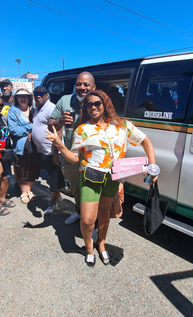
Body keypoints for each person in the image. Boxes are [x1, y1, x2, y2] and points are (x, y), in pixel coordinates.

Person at [45, 90, 157, 267]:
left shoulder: (122, 126)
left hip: (113, 177)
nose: (92, 107)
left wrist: (152, 164)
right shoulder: (82, 129)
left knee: (105, 213)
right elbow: (75, 158)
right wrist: (59, 145)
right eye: (88, 105)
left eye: (97, 103)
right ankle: (89, 248)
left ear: (105, 103)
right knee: (88, 219)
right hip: (90, 176)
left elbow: (145, 141)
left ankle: (102, 244)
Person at [48, 71, 96, 225]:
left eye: (86, 84)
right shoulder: (65, 100)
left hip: (94, 157)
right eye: (79, 84)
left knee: (92, 191)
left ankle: (92, 222)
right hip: (71, 155)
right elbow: (50, 124)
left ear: (93, 87)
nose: (82, 87)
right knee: (75, 188)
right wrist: (60, 121)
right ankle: (78, 212)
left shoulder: (98, 102)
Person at [31, 86, 65, 214]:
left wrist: (56, 153)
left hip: (51, 151)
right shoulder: (38, 108)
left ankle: (54, 202)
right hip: (43, 150)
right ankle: (58, 196)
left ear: (47, 95)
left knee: (54, 178)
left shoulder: (51, 108)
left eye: (41, 94)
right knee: (52, 175)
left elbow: (59, 130)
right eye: (36, 94)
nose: (38, 96)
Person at [7, 88, 40, 204]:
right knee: (21, 169)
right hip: (20, 147)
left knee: (33, 168)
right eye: (20, 96)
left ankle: (29, 190)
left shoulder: (34, 109)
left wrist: (32, 130)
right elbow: (14, 130)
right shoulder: (13, 111)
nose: (23, 98)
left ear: (29, 98)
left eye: (25, 96)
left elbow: (40, 125)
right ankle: (23, 192)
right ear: (16, 98)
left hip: (34, 145)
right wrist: (31, 127)